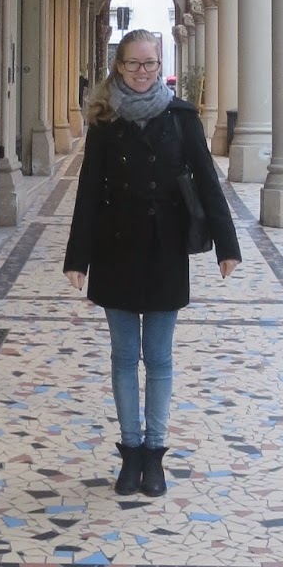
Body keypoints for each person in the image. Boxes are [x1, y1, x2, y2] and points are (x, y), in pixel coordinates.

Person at [63, 27, 242, 498]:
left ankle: (155, 454)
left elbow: (208, 182)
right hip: (115, 251)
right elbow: (88, 192)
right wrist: (77, 258)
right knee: (124, 358)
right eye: (133, 63)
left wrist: (227, 246)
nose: (141, 72)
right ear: (119, 66)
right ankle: (130, 453)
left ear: (160, 66)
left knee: (159, 359)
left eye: (149, 63)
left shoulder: (181, 118)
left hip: (166, 251)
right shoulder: (104, 121)